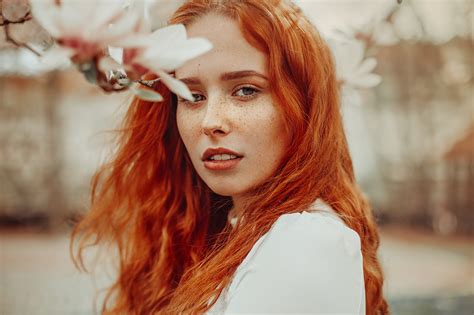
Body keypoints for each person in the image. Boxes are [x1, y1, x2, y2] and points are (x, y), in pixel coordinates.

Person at [71, 0, 390, 314]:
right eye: (191, 95)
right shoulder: (225, 232)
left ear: (305, 106)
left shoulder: (305, 244)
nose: (211, 121)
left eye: (246, 90)